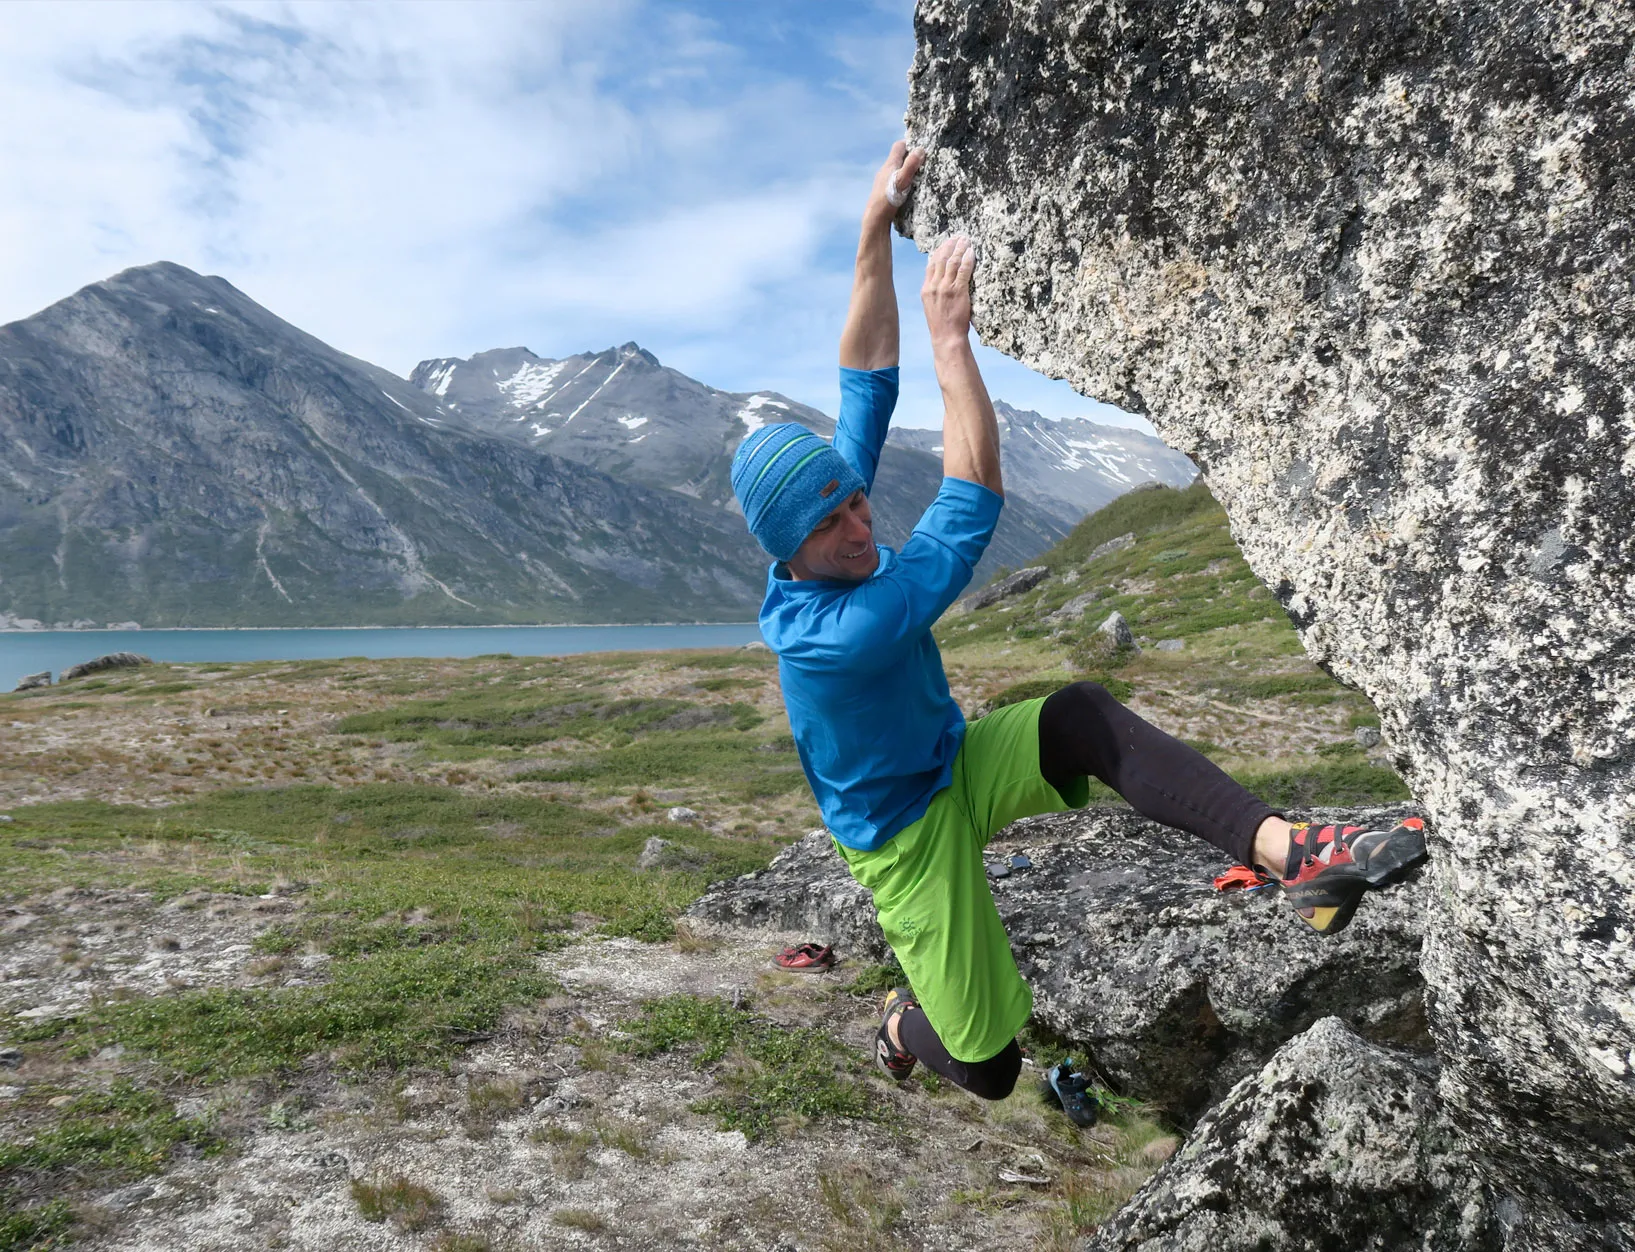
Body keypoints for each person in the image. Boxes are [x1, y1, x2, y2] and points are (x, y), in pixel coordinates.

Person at [729, 142, 1427, 1102]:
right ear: (788, 548)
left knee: (1081, 716)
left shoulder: (820, 518)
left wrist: (869, 229)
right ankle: (901, 1018)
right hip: (900, 831)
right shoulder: (839, 632)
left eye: (855, 502)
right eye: (833, 523)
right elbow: (969, 504)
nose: (859, 526)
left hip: (952, 757)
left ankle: (1293, 858)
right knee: (990, 1068)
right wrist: (951, 343)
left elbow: (862, 380)